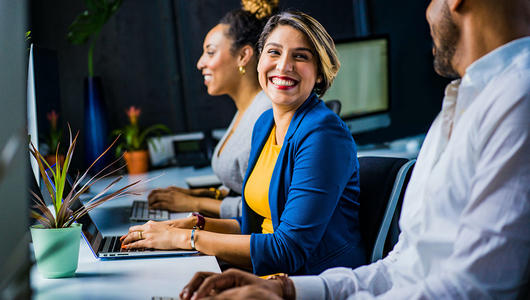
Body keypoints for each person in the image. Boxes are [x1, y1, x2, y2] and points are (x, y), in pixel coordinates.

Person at [179, 0, 530, 299]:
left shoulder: (517, 98)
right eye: (273, 52)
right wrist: (287, 291)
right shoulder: (458, 106)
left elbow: (472, 288)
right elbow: (402, 266)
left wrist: (193, 238)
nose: (426, 10)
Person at [121, 10, 366, 276]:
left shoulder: (323, 134)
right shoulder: (264, 124)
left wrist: (186, 239)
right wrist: (189, 226)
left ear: (319, 73)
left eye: (300, 56)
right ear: (259, 61)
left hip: (312, 281)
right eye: (274, 52)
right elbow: (254, 227)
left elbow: (289, 249)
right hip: (267, 273)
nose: (283, 66)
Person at [147, 0, 277, 219]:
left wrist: (196, 202)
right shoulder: (246, 109)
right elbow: (242, 186)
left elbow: (263, 210)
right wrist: (200, 193)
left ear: (243, 56)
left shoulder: (265, 115)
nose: (200, 63)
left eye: (210, 52)